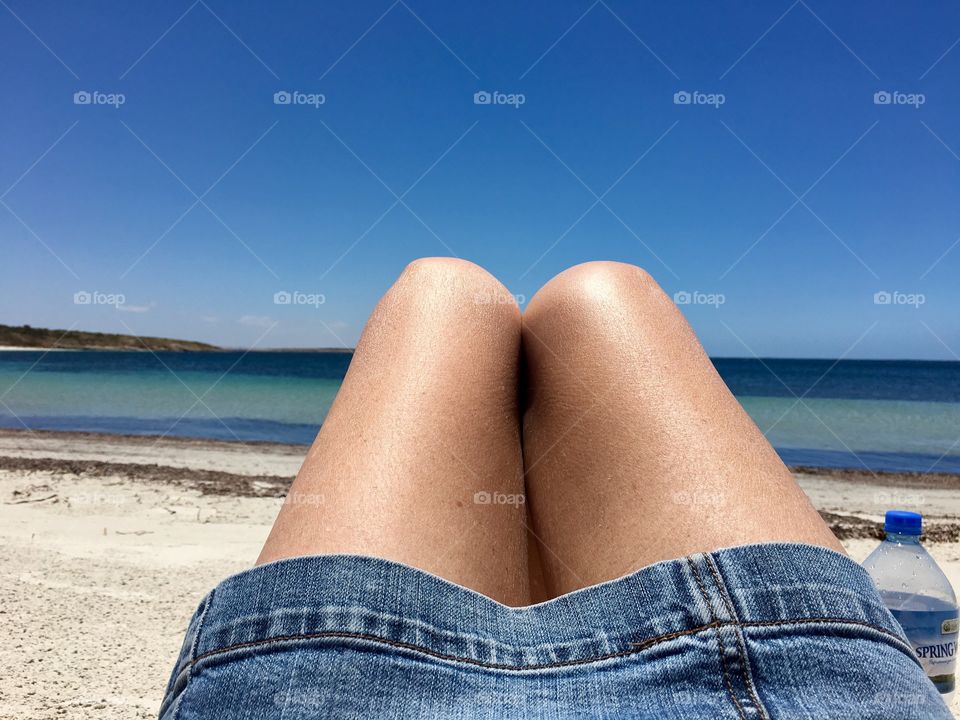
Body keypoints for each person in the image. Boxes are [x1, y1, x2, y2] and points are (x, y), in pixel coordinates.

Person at [160, 259, 950, 719]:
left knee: (446, 291)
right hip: (761, 671)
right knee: (600, 293)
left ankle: (523, 637)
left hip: (329, 682)